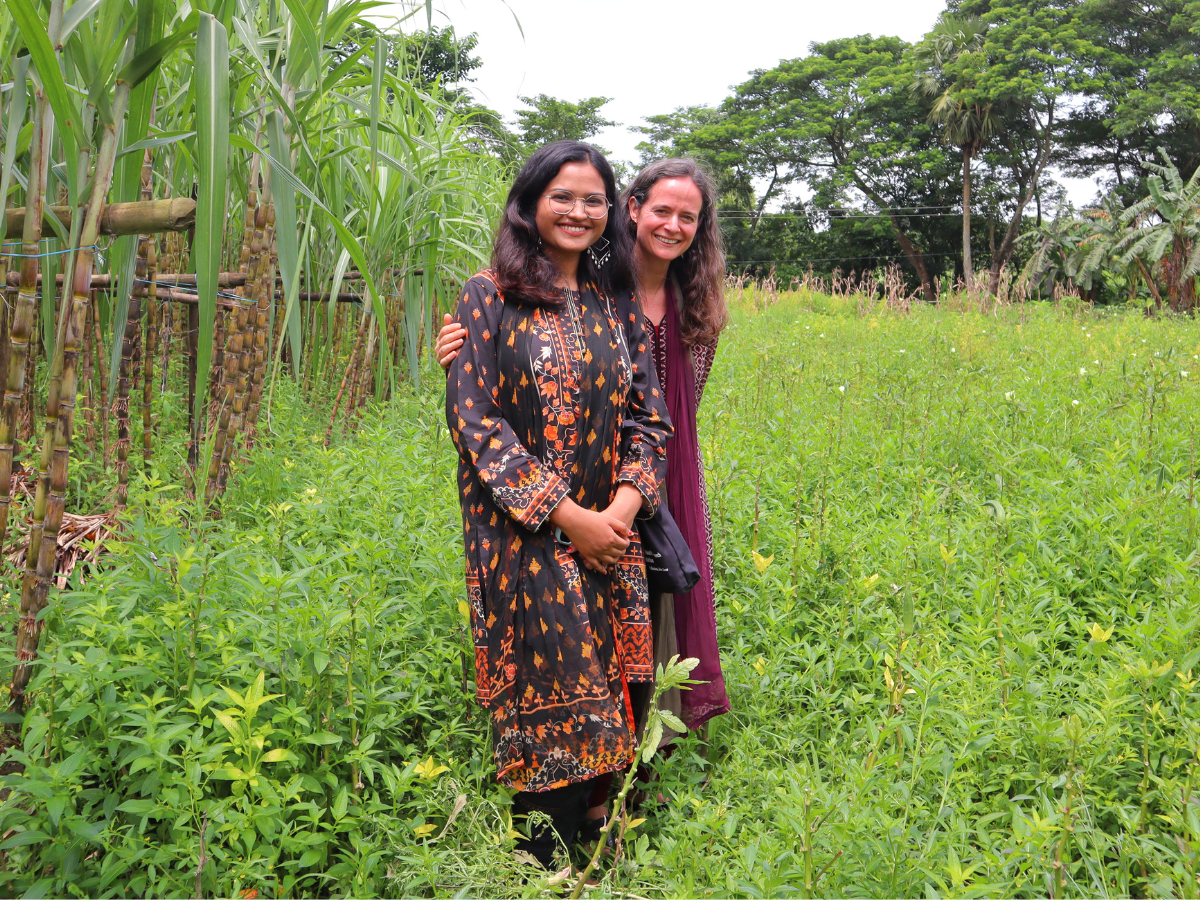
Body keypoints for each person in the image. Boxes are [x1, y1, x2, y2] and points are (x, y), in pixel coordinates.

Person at [438, 157, 731, 825]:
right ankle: (540, 854)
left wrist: (620, 512)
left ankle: (601, 837)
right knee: (550, 687)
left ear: (609, 213)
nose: (577, 211)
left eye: (590, 200)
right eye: (561, 197)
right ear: (529, 205)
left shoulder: (613, 304)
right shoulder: (489, 295)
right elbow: (476, 422)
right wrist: (570, 518)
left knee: (616, 683)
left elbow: (650, 418)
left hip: (614, 532)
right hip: (526, 534)